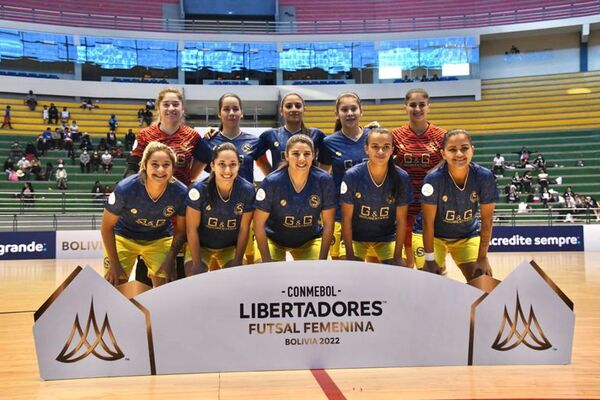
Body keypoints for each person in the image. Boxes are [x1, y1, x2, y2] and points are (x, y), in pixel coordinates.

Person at [101, 141, 187, 287]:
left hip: (159, 239)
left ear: (173, 168)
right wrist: (114, 265)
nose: (160, 170)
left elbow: (181, 230)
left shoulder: (180, 192)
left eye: (166, 165)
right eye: (154, 164)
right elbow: (106, 227)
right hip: (124, 237)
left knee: (166, 286)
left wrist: (170, 259)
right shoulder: (125, 188)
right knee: (114, 285)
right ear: (144, 165)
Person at [421, 129, 499, 281]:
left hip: (466, 235)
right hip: (435, 236)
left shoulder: (484, 176)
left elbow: (487, 220)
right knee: (428, 278)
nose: (459, 154)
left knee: (482, 280)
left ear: (472, 150)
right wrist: (429, 259)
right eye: (452, 150)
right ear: (443, 154)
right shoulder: (433, 179)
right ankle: (439, 264)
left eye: (464, 148)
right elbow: (427, 222)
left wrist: (482, 257)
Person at [254, 134, 335, 262]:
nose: (302, 159)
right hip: (273, 239)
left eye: (307, 154)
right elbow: (258, 224)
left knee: (319, 274)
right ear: (286, 155)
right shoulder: (271, 182)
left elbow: (329, 223)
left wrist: (322, 260)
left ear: (314, 156)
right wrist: (266, 262)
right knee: (267, 275)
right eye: (296, 154)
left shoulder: (324, 180)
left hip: (309, 240)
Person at [340, 128, 412, 265]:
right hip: (356, 238)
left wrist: (397, 256)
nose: (380, 151)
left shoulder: (401, 177)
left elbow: (402, 220)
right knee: (347, 269)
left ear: (392, 150)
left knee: (401, 269)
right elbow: (346, 218)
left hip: (387, 238)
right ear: (366, 149)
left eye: (386, 147)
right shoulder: (352, 175)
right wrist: (349, 254)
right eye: (375, 147)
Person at [391, 88, 446, 269]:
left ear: (428, 106)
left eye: (422, 105)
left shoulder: (441, 135)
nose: (417, 109)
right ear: (405, 107)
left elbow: (448, 162)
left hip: (432, 206)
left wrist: (433, 172)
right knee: (408, 262)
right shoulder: (395, 135)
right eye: (412, 105)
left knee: (434, 264)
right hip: (405, 205)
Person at [185, 143, 255, 274]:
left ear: (239, 165)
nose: (227, 170)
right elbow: (191, 229)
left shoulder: (248, 190)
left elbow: (244, 228)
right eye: (222, 164)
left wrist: (238, 260)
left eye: (233, 164)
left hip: (229, 248)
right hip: (201, 247)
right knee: (194, 276)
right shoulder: (199, 190)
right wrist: (196, 262)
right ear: (212, 166)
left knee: (237, 275)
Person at [318, 92, 371, 260]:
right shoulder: (329, 143)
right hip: (340, 213)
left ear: (361, 111)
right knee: (342, 266)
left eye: (353, 109)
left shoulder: (373, 137)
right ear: (336, 114)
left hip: (372, 211)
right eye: (344, 109)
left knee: (378, 268)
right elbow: (323, 178)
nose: (349, 113)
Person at [127, 87, 211, 186]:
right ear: (158, 108)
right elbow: (132, 168)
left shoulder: (192, 136)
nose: (171, 108)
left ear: (182, 109)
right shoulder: (145, 135)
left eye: (175, 104)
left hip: (181, 197)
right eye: (166, 105)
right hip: (151, 197)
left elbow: (209, 161)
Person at [254, 92, 325, 173]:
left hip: (310, 185)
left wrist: (319, 178)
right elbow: (260, 159)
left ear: (304, 110)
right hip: (280, 185)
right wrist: (271, 177)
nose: (294, 109)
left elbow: (327, 160)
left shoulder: (316, 134)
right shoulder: (270, 135)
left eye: (298, 106)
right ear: (281, 111)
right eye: (289, 106)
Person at [206, 93, 260, 184]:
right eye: (226, 109)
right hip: (217, 197)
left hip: (246, 196)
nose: (231, 113)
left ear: (241, 113)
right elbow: (193, 175)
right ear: (219, 113)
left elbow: (267, 170)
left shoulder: (254, 141)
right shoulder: (209, 141)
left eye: (235, 109)